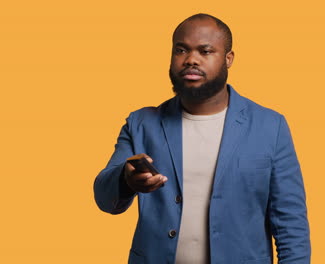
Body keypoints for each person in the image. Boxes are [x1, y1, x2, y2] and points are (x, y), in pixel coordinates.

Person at [94, 13, 311, 264]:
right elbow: (104, 197)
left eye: (205, 51)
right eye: (181, 50)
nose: (191, 60)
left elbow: (291, 223)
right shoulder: (141, 123)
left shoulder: (270, 126)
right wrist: (125, 180)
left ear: (228, 59)